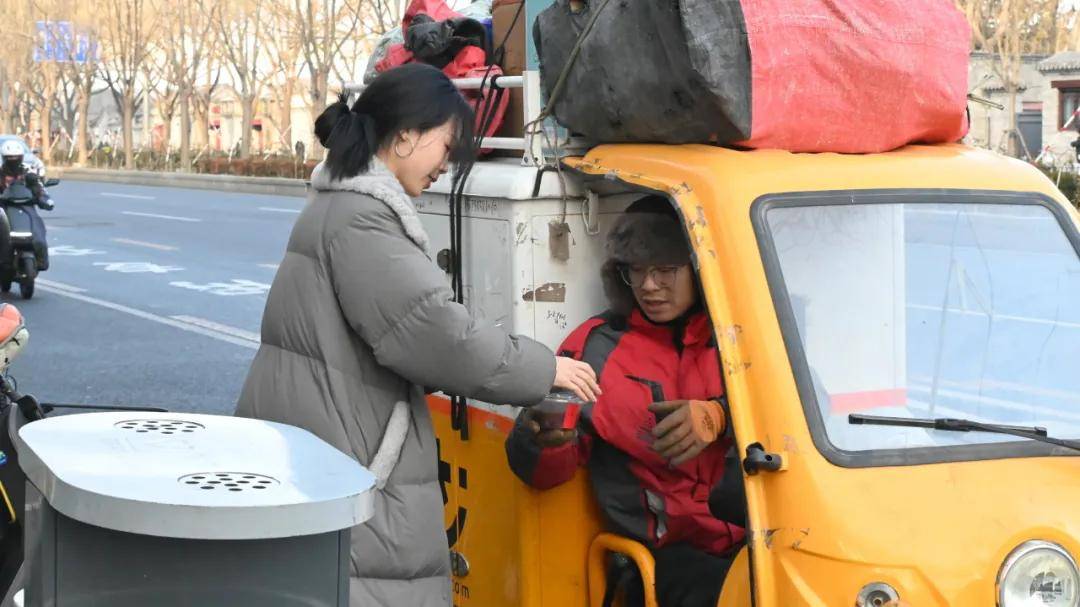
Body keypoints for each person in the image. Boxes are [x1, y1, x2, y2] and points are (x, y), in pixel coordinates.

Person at [235, 63, 600, 607]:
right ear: (405, 134)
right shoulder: (362, 220)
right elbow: (439, 334)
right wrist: (546, 369)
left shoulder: (338, 204)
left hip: (328, 446)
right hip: (350, 461)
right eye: (446, 144)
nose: (446, 164)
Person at [505, 196, 745, 607]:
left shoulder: (742, 337)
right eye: (636, 270)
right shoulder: (596, 347)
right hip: (661, 557)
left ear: (700, 268)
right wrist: (544, 442)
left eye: (666, 270)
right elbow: (541, 473)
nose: (650, 286)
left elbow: (799, 425)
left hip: (760, 536)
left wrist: (722, 415)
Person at [0, 140, 53, 271]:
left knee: (38, 230)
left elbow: (38, 188)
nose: (13, 160)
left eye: (16, 157)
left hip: (26, 207)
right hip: (5, 208)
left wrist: (44, 199)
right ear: (4, 158)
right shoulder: (0, 174)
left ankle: (41, 259)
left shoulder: (28, 173)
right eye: (10, 158)